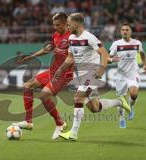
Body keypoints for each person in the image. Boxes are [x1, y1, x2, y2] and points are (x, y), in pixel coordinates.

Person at [53, 13, 131, 141]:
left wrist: (101, 70)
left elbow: (104, 54)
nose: (67, 27)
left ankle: (73, 134)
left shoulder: (89, 37)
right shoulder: (72, 38)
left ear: (76, 24)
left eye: (69, 24)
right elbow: (70, 57)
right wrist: (61, 69)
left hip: (92, 73)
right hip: (81, 76)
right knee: (95, 108)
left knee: (78, 98)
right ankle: (120, 102)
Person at [12, 12, 73, 140]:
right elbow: (47, 49)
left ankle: (60, 123)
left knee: (44, 95)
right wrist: (32, 56)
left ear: (66, 24)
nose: (56, 27)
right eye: (54, 25)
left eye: (58, 25)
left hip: (65, 74)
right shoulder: (56, 35)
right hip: (53, 71)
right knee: (27, 85)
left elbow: (74, 57)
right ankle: (28, 122)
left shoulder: (72, 37)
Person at [108, 22, 146, 128]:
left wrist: (145, 65)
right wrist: (112, 59)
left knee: (134, 94)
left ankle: (131, 107)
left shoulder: (137, 43)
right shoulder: (116, 44)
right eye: (123, 30)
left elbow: (143, 54)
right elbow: (107, 59)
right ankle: (121, 118)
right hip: (121, 75)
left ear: (131, 32)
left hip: (133, 73)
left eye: (127, 30)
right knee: (121, 100)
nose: (125, 31)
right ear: (120, 32)